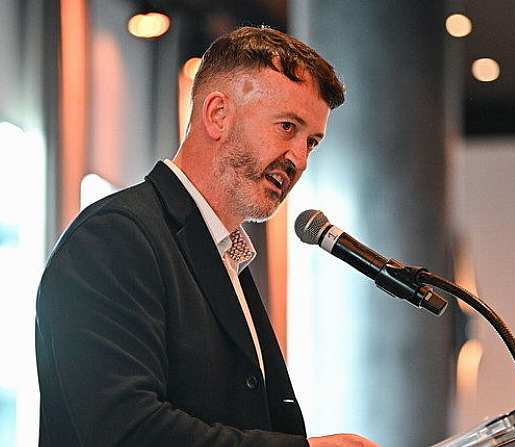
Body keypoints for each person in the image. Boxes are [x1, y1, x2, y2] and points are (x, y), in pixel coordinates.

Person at [36, 26, 380, 447]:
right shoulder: (113, 239)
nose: (299, 159)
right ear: (217, 114)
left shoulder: (226, 254)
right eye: (287, 127)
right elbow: (125, 431)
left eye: (312, 142)